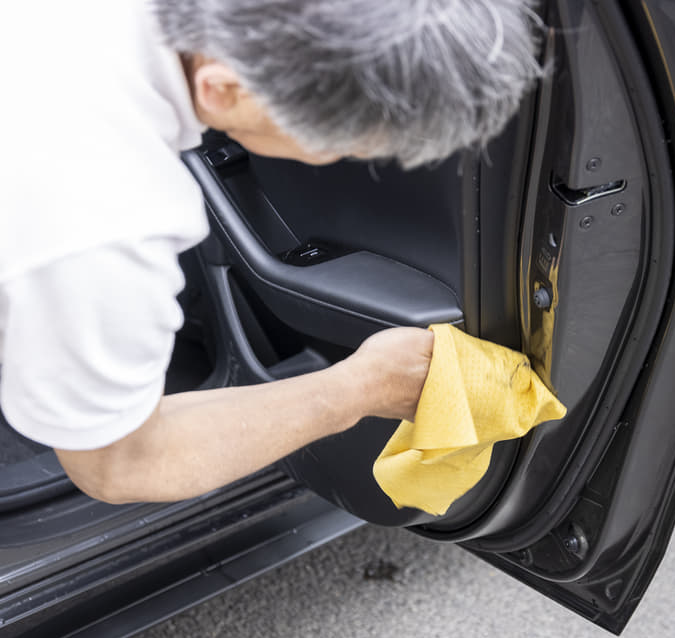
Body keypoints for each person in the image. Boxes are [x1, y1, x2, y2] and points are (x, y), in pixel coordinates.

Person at [0, 0, 542, 504]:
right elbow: (120, 463)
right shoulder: (105, 219)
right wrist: (359, 387)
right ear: (224, 90)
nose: (340, 157)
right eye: (339, 144)